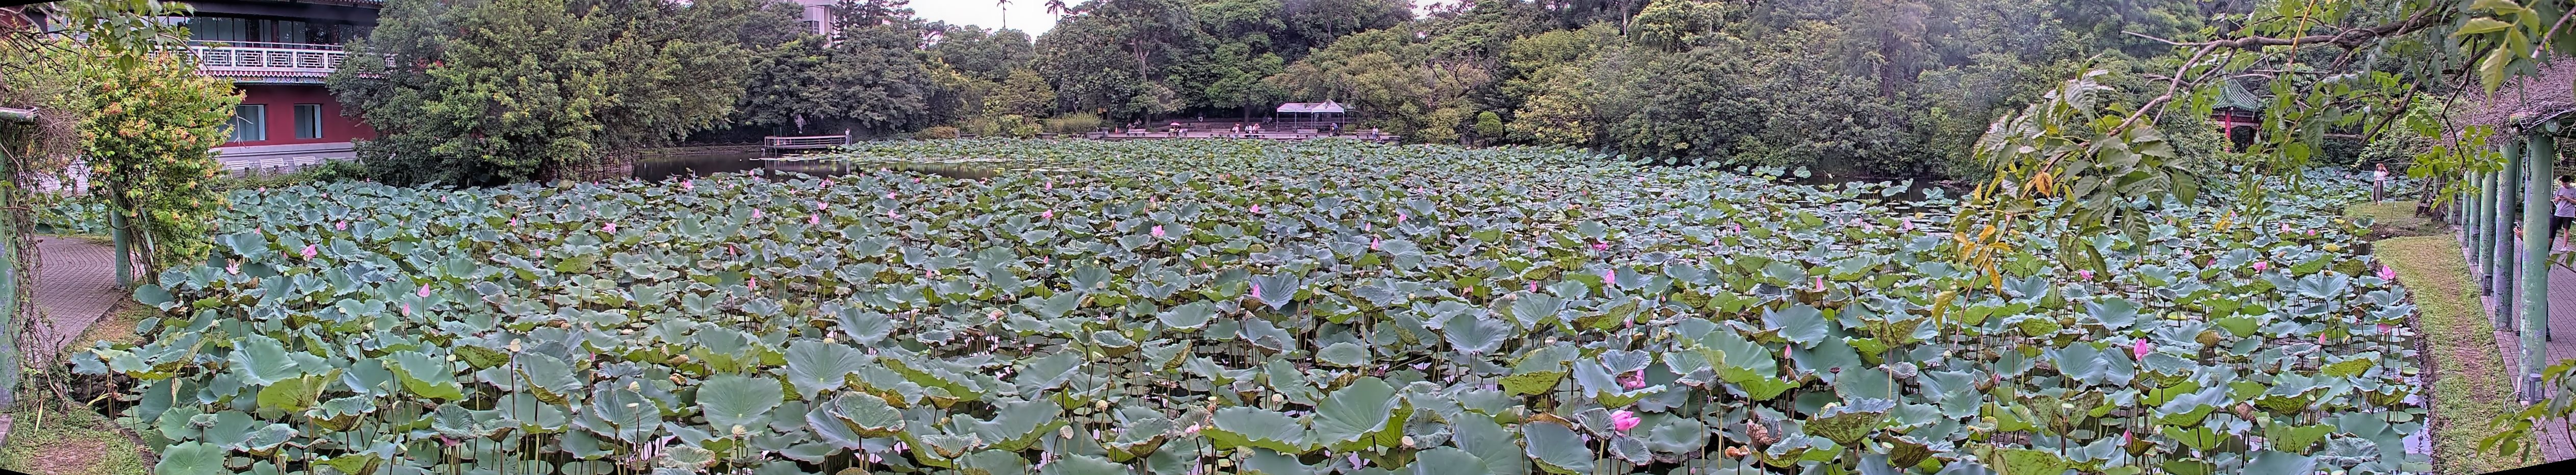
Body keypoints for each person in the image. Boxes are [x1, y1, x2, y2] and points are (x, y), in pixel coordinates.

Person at [2555, 175, 2576, 252]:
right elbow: (2555, 199)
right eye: (2563, 184)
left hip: (2569, 213)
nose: (2565, 185)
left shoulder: (2574, 190)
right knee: (2554, 228)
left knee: (2566, 229)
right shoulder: (2560, 189)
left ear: (2570, 182)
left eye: (2566, 184)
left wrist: (2567, 198)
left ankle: (2564, 246)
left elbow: (2575, 202)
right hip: (2559, 212)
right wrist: (2559, 198)